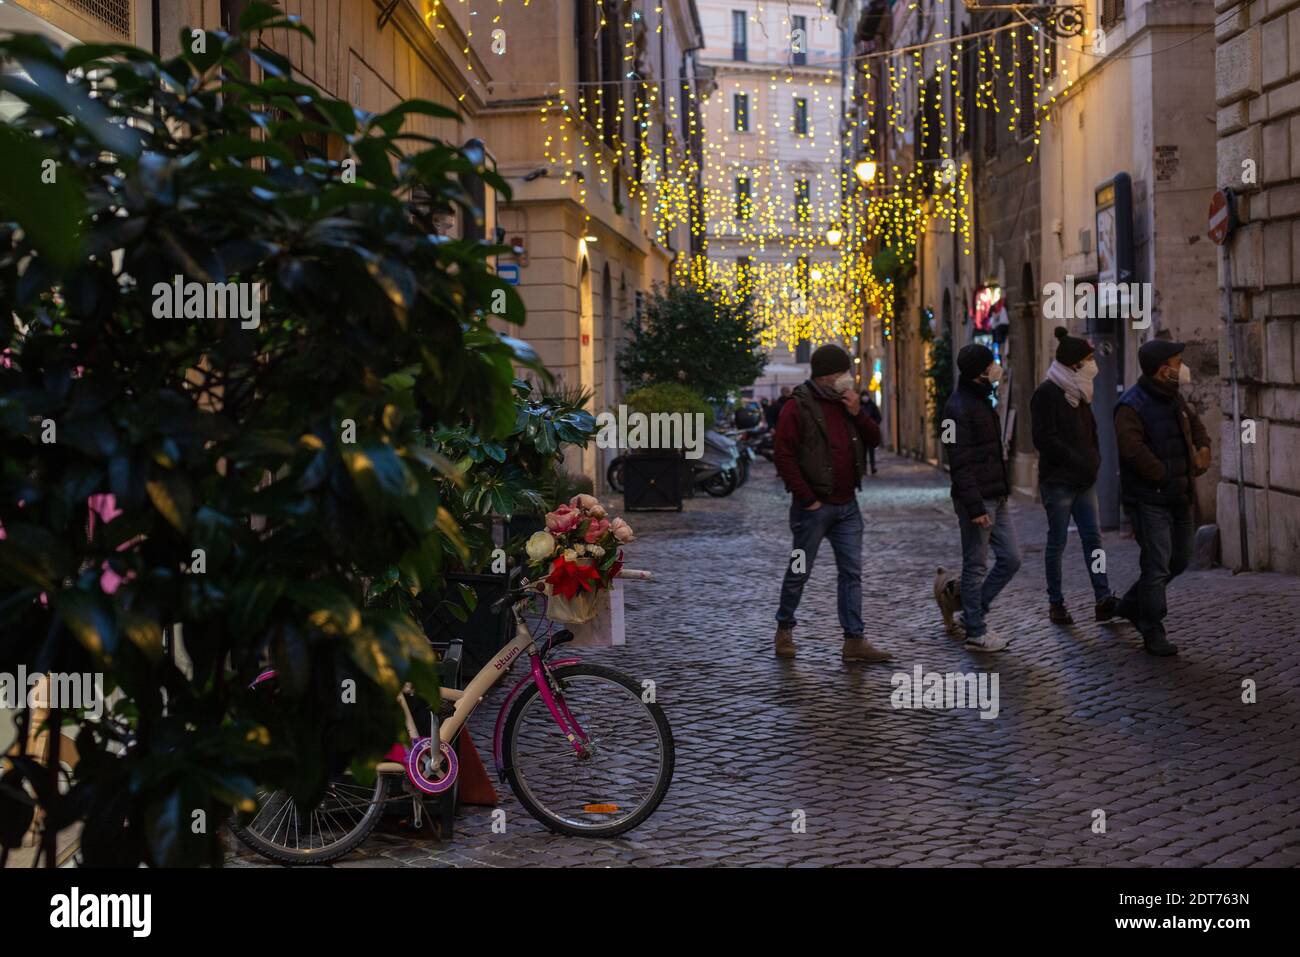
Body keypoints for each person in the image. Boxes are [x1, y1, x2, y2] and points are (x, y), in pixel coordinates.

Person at [772, 344, 890, 663]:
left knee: (851, 572)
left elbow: (875, 439)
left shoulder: (846, 404)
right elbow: (783, 455)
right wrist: (807, 499)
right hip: (812, 509)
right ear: (827, 376)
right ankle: (784, 629)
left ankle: (854, 640)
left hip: (847, 506)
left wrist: (858, 413)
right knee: (800, 569)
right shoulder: (797, 407)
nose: (848, 379)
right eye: (843, 374)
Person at [1113, 339, 1212, 657]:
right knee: (1156, 565)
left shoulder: (1174, 398)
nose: (1182, 367)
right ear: (1161, 370)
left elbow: (1196, 426)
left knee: (1180, 558)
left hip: (1180, 495)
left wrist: (1204, 448)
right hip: (1150, 498)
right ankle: (1153, 629)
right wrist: (1163, 473)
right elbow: (1132, 450)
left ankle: (1130, 604)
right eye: (1177, 361)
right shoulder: (1131, 405)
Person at [1030, 327, 1120, 625]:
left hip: (1084, 480)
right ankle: (1056, 603)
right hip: (1058, 483)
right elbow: (1044, 439)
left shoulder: (1082, 390)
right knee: (1057, 543)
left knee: (1093, 540)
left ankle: (1102, 598)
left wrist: (1093, 460)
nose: (1093, 362)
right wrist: (1077, 458)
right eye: (1088, 358)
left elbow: (1090, 431)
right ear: (1074, 363)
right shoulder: (1046, 393)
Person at [942, 343, 1021, 652]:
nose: (996, 368)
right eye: (991, 364)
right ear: (980, 372)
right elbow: (957, 462)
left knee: (1011, 559)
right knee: (975, 565)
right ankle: (976, 632)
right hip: (976, 501)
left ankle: (973, 612)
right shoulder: (955, 408)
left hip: (995, 496)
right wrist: (975, 507)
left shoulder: (982, 400)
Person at [861, 394, 882, 474]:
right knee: (863, 452)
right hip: (862, 433)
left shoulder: (872, 406)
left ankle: (873, 467)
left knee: (871, 452)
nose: (865, 398)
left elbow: (879, 417)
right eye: (864, 396)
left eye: (866, 396)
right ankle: (864, 469)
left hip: (870, 432)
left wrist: (874, 425)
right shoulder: (859, 406)